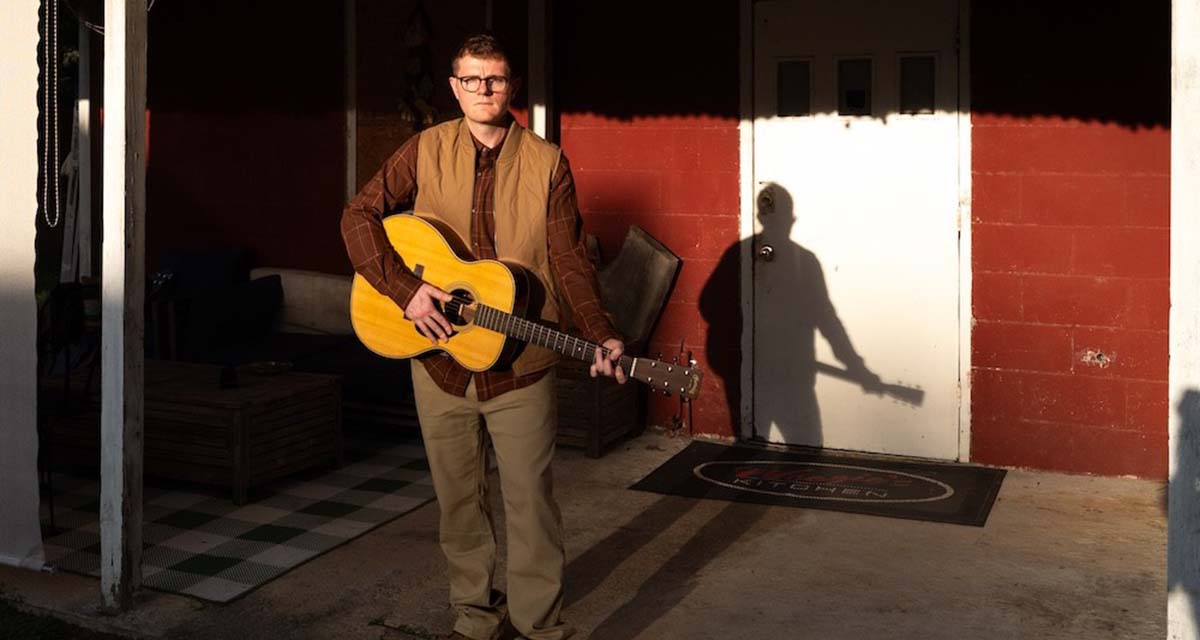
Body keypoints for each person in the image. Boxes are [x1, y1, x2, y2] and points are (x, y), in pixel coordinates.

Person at [341, 33, 626, 640]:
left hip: (522, 359)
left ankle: (538, 625)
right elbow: (358, 217)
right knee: (458, 503)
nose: (483, 89)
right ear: (454, 86)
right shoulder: (425, 149)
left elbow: (568, 258)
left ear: (512, 85)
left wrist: (599, 331)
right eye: (470, 79)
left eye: (494, 78)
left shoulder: (548, 162)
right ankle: (474, 616)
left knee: (531, 504)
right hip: (439, 357)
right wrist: (406, 291)